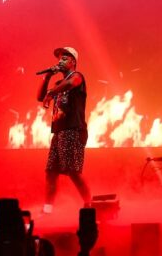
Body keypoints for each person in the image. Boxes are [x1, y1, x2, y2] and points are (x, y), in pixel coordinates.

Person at [37, 47, 91, 214]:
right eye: (60, 58)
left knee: (73, 171)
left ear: (73, 61)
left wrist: (51, 93)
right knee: (51, 172)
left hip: (73, 129)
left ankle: (89, 205)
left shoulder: (77, 76)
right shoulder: (58, 84)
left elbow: (70, 83)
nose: (61, 61)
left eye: (65, 58)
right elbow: (40, 97)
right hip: (59, 131)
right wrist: (47, 77)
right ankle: (47, 210)